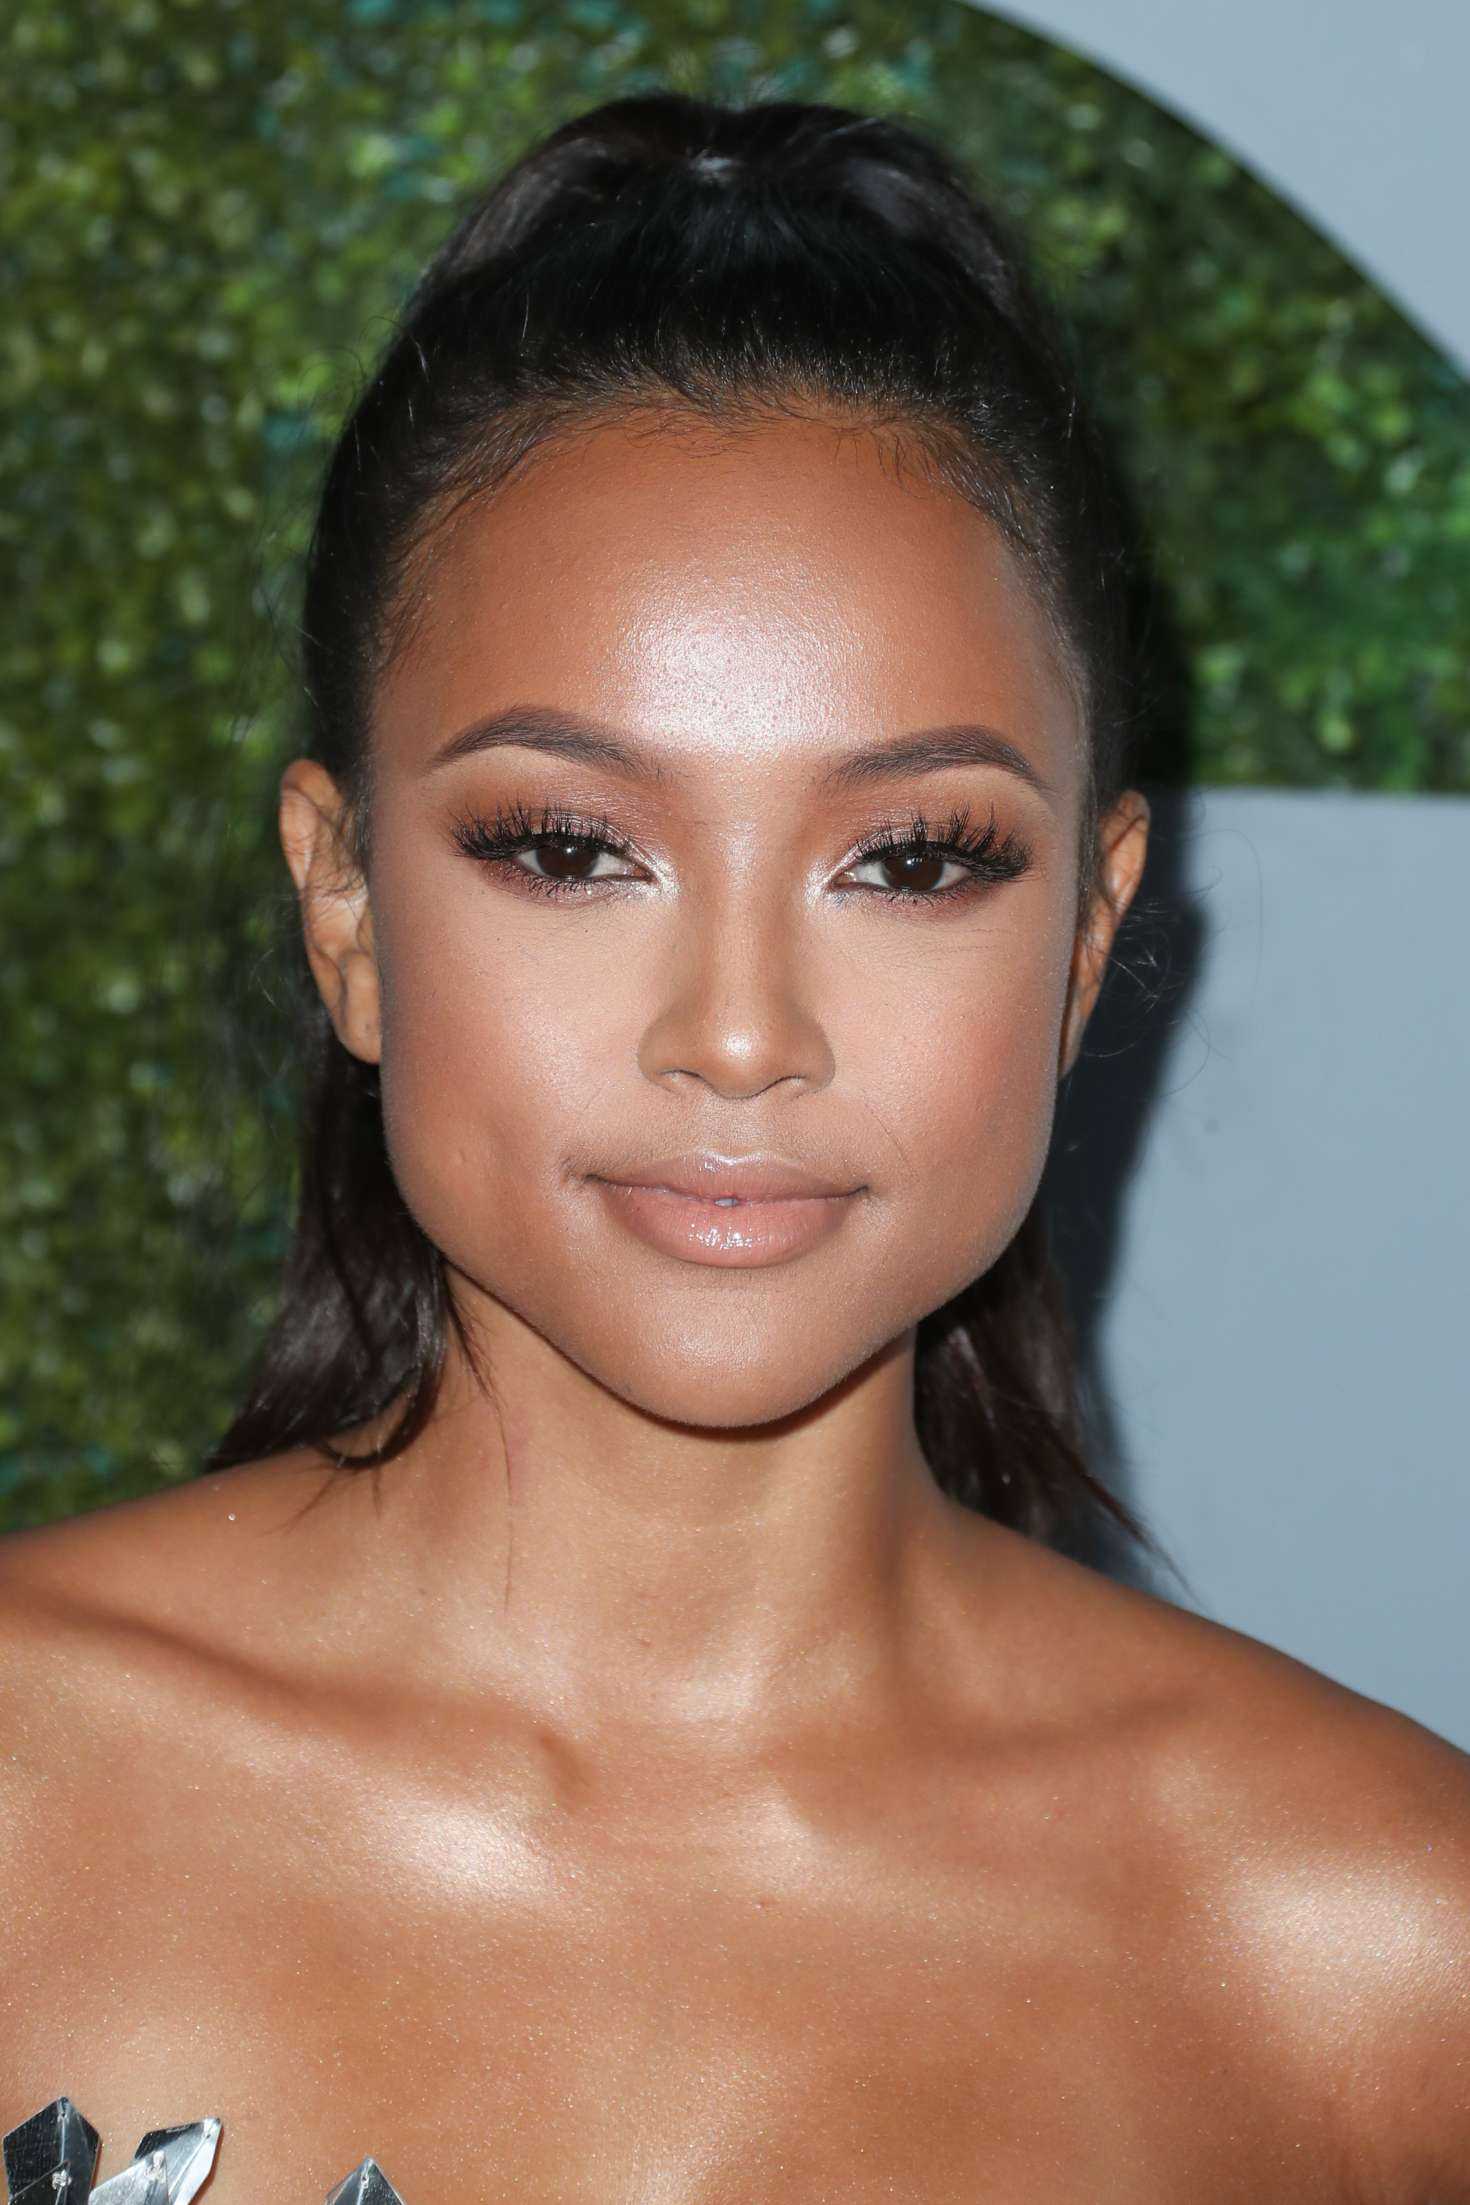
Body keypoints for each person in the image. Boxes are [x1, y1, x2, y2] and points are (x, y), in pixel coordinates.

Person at [1, 90, 1466, 2204]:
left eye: (914, 859)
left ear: (1085, 941)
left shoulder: (1388, 1955)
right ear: (347, 910)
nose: (743, 1034)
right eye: (569, 845)